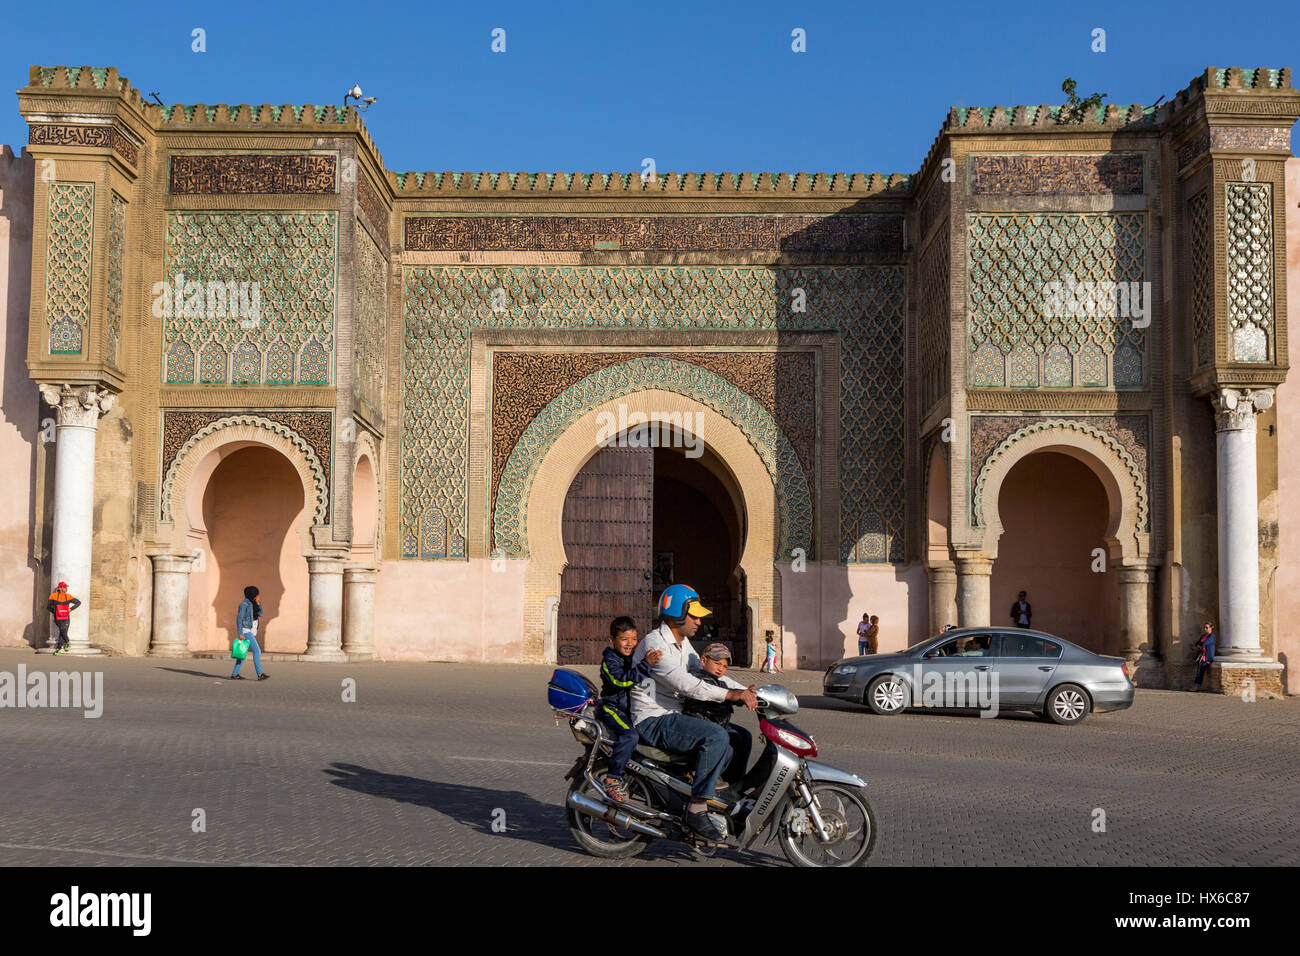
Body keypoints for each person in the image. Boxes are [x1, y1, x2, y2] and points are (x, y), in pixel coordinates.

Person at [630, 584, 758, 842]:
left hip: (676, 715)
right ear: (677, 613)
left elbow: (709, 677)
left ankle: (728, 797)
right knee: (716, 737)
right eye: (694, 615)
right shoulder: (657, 644)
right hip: (654, 719)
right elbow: (686, 685)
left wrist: (748, 691)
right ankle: (697, 808)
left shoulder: (683, 642)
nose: (699, 621)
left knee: (741, 737)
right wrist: (731, 696)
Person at [597, 616, 662, 802]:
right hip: (612, 708)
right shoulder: (610, 661)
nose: (630, 644)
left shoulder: (634, 657)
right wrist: (646, 665)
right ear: (612, 640)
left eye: (634, 639)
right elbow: (622, 680)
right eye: (624, 639)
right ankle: (613, 778)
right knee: (630, 736)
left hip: (629, 709)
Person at [683, 644, 754, 790]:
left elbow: (729, 689)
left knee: (744, 736)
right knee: (726, 748)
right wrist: (735, 696)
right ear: (703, 661)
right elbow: (720, 692)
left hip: (716, 723)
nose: (720, 668)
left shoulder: (718, 680)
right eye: (717, 663)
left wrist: (746, 694)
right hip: (702, 725)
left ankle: (734, 783)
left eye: (724, 666)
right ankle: (702, 777)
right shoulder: (701, 679)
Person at [232, 585, 269, 680]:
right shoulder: (244, 605)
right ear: (252, 594)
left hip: (251, 631)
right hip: (246, 631)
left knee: (242, 653)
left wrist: (259, 603)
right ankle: (260, 674)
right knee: (257, 651)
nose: (258, 596)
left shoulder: (254, 604)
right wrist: (240, 633)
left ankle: (234, 674)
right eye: (257, 594)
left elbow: (261, 614)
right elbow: (239, 619)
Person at [48, 580, 81, 655]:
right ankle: (68, 642)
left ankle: (58, 649)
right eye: (64, 587)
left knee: (63, 631)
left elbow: (78, 602)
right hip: (57, 618)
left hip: (66, 617)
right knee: (63, 629)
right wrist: (56, 612)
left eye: (66, 587)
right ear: (60, 588)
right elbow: (48, 607)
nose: (66, 588)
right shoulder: (53, 596)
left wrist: (70, 609)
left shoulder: (68, 596)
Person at [1192, 621, 1216, 691]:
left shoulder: (1212, 636)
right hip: (1202, 656)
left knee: (1200, 672)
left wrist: (1201, 645)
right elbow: (1197, 644)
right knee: (1199, 671)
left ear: (1211, 628)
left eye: (1207, 627)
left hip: (1207, 657)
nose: (1205, 629)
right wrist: (1201, 646)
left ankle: (1196, 687)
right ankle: (1196, 686)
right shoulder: (1204, 636)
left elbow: (1204, 643)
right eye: (1204, 627)